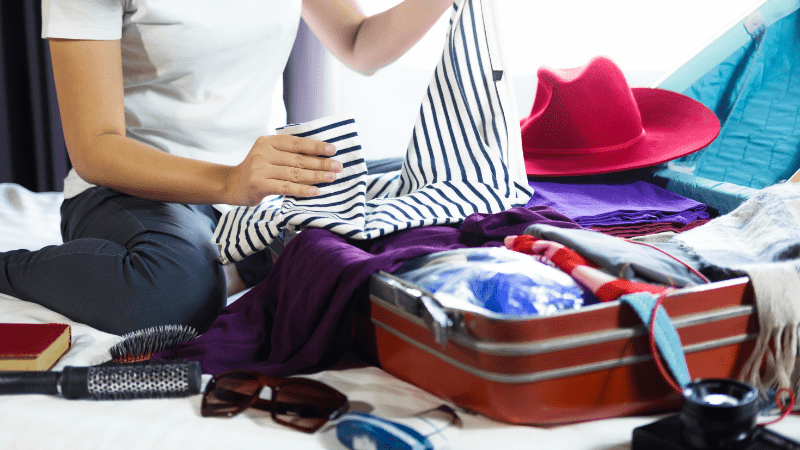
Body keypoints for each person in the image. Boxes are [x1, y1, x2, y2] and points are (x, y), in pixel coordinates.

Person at [0, 0, 451, 335]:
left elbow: (358, 44)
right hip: (136, 191)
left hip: (263, 188)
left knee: (441, 180)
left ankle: (246, 256)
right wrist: (229, 181)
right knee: (174, 293)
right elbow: (95, 148)